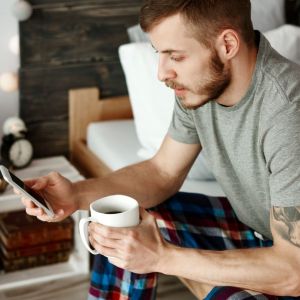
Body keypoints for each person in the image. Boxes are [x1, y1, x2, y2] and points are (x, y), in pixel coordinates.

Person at [20, 0, 300, 299]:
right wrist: (75, 195)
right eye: (160, 54)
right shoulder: (200, 87)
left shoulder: (287, 110)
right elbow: (162, 171)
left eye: (176, 57)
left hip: (289, 264)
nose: (162, 73)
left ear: (228, 45)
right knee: (121, 216)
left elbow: (293, 272)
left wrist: (160, 256)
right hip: (256, 229)